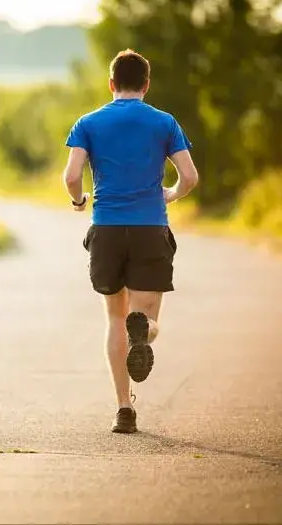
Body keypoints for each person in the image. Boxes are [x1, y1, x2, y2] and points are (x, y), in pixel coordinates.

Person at [62, 48, 199, 434]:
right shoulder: (164, 122)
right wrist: (171, 193)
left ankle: (124, 409)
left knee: (114, 318)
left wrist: (78, 201)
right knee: (147, 320)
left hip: (106, 228)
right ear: (146, 84)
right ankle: (145, 332)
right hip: (149, 228)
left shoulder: (88, 122)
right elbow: (189, 177)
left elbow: (72, 176)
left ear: (111, 84)